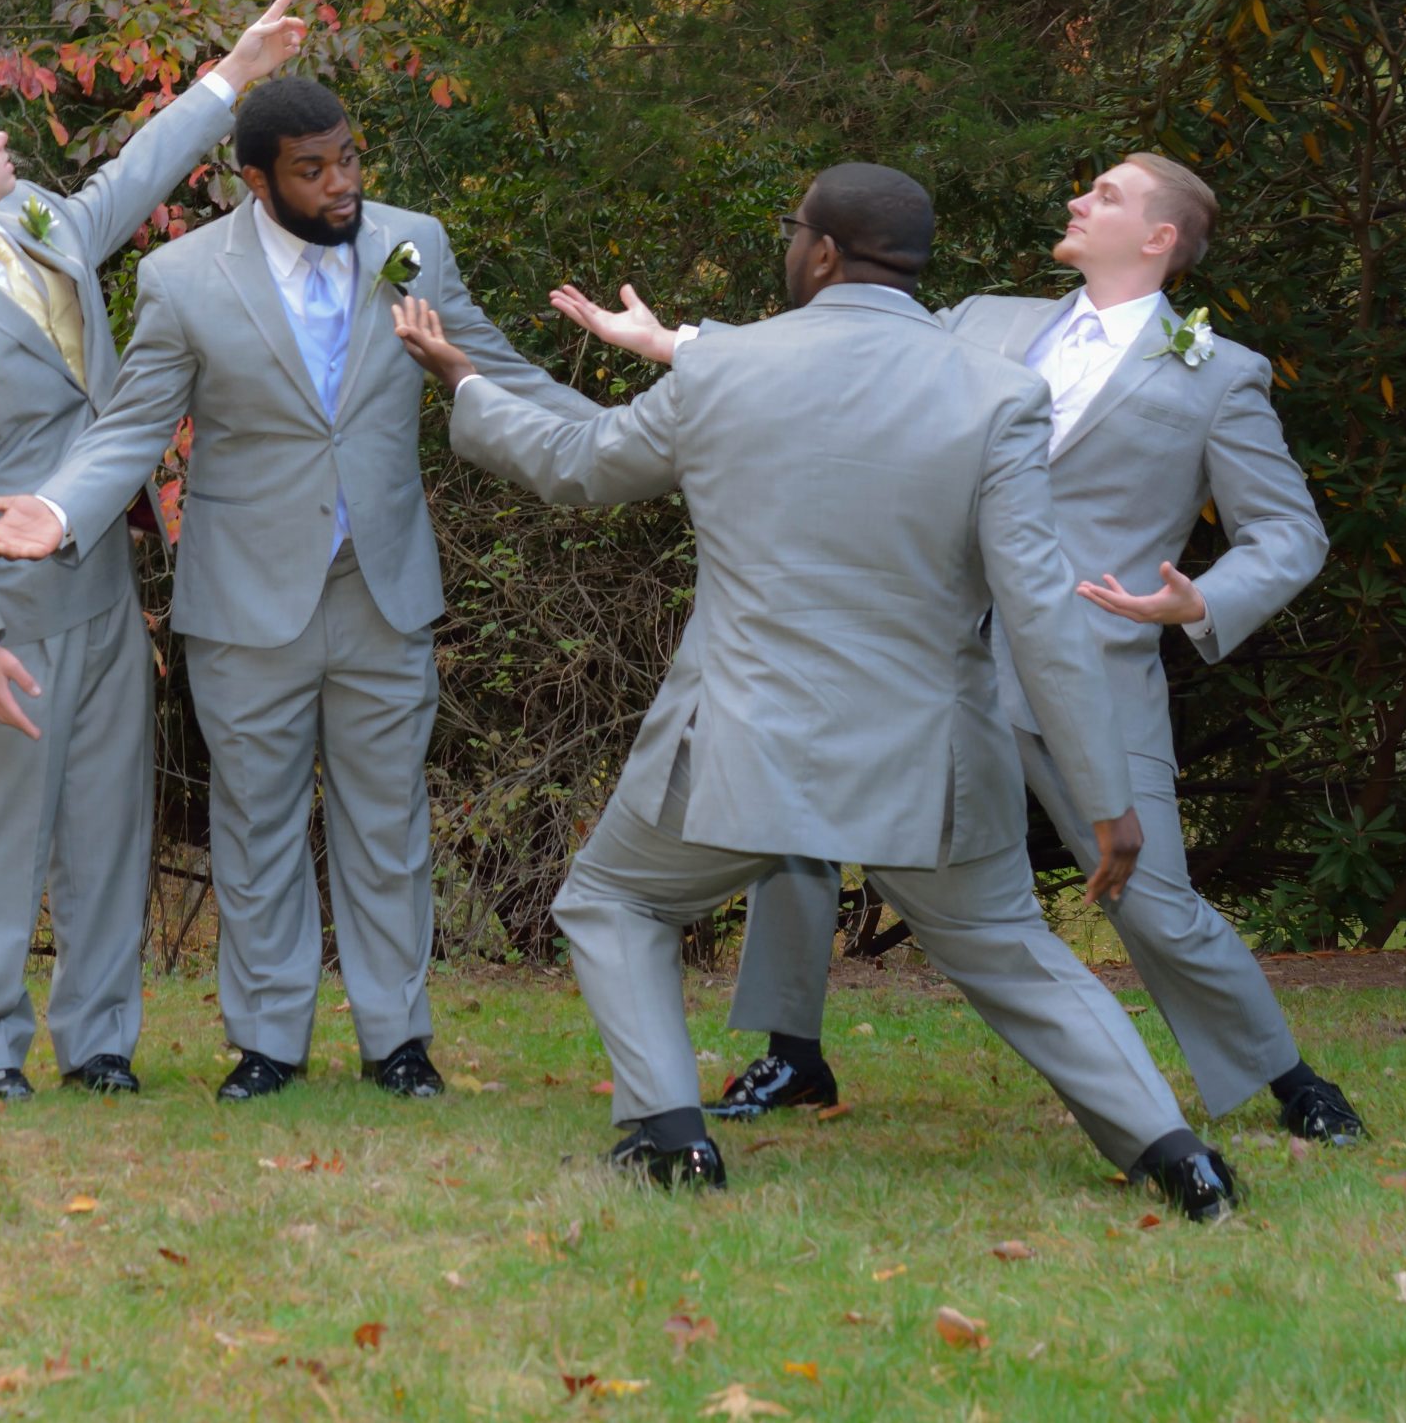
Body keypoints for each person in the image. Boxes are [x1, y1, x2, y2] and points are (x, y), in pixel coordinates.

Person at [392, 163, 1239, 1218]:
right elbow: (1040, 615)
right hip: (927, 769)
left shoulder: (728, 368)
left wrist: (461, 379)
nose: (791, 246)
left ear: (824, 252)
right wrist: (1106, 799)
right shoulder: (1000, 394)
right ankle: (1176, 1159)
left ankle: (666, 1139)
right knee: (1017, 955)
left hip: (746, 750)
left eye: (796, 231)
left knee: (614, 899)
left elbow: (574, 464)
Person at [559, 156, 1360, 1144]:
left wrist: (1199, 602)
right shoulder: (981, 319)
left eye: (1105, 194)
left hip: (1086, 669)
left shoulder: (1216, 371)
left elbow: (1288, 533)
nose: (1075, 198)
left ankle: (1283, 1076)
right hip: (917, 652)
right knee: (795, 830)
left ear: (1159, 238)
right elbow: (838, 364)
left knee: (1150, 899)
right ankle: (791, 1054)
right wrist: (677, 343)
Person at [0, 77, 598, 1102]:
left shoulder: (410, 245)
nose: (340, 182)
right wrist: (63, 508)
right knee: (255, 831)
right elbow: (131, 426)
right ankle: (267, 1040)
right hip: (243, 603)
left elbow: (490, 367)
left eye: (348, 158)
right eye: (312, 169)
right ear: (254, 179)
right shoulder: (181, 278)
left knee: (388, 827)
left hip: (381, 590)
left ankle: (399, 1040)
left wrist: (631, 437)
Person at [0, 0, 307, 1102]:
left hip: (106, 582)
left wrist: (230, 75)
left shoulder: (42, 223)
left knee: (109, 827)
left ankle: (98, 1041)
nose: (2, 135)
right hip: (5, 611)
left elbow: (131, 180)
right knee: (0, 838)